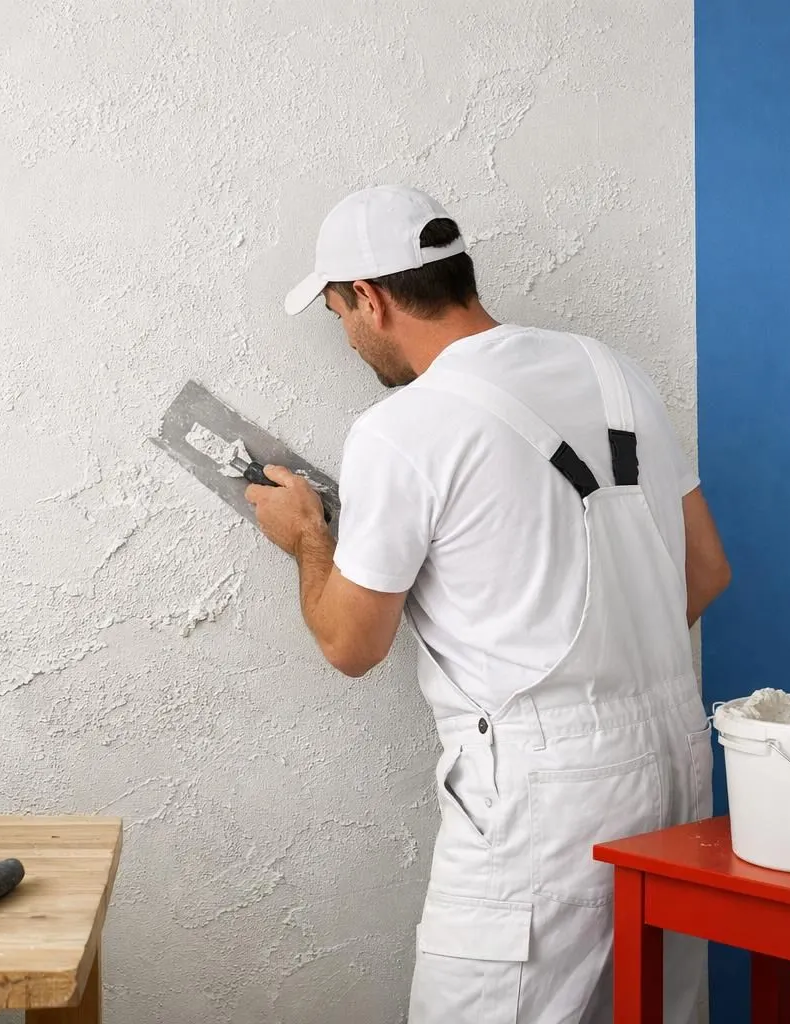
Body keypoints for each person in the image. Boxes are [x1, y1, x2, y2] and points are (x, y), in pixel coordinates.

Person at [247, 185, 732, 1023]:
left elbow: (352, 644)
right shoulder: (613, 372)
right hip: (676, 763)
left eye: (338, 313)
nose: (350, 336)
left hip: (544, 791)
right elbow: (707, 571)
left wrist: (306, 540)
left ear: (370, 297)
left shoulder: (403, 428)